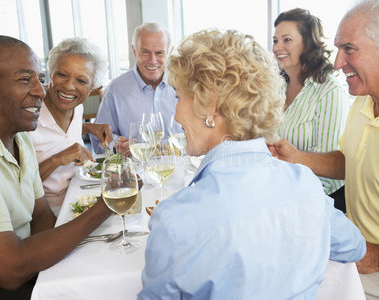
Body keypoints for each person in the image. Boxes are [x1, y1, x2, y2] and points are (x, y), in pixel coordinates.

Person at [138, 29, 366, 300]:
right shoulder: (305, 184)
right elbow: (354, 247)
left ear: (209, 102)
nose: (175, 113)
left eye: (178, 97)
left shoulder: (175, 220)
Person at [269, 0, 379, 299]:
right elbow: (353, 160)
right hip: (351, 249)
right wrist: (297, 158)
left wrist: (378, 258)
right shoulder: (364, 98)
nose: (338, 62)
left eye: (349, 48)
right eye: (338, 48)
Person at [0, 35, 113, 299]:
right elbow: (10, 271)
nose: (40, 90)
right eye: (25, 79)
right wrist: (108, 204)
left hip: (26, 267)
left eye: (39, 77)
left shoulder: (18, 133)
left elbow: (42, 219)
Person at [273, 8, 350, 211]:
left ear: (308, 43)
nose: (277, 47)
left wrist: (290, 202)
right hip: (279, 192)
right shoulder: (277, 87)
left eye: (286, 40)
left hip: (319, 202)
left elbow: (330, 175)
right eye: (275, 40)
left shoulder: (329, 91)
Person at [28, 37, 112, 215]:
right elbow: (17, 187)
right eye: (62, 74)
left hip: (80, 199)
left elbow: (59, 132)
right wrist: (57, 159)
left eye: (81, 81)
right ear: (51, 72)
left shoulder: (77, 107)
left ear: (91, 88)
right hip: (45, 214)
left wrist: (89, 128)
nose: (68, 86)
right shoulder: (28, 115)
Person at [90, 22, 178, 156]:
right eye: (145, 52)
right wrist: (116, 146)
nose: (153, 60)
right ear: (134, 50)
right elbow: (99, 137)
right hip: (135, 172)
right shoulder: (116, 89)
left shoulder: (185, 86)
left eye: (160, 53)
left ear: (170, 51)